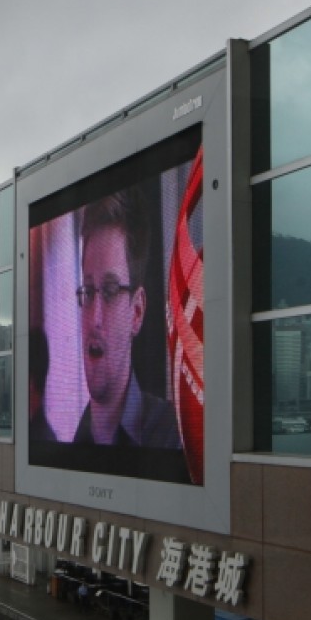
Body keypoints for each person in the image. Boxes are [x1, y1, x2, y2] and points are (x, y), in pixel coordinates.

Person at [72, 191, 180, 448]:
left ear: (137, 312)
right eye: (87, 292)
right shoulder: (73, 442)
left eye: (110, 291)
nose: (94, 318)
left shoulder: (173, 438)